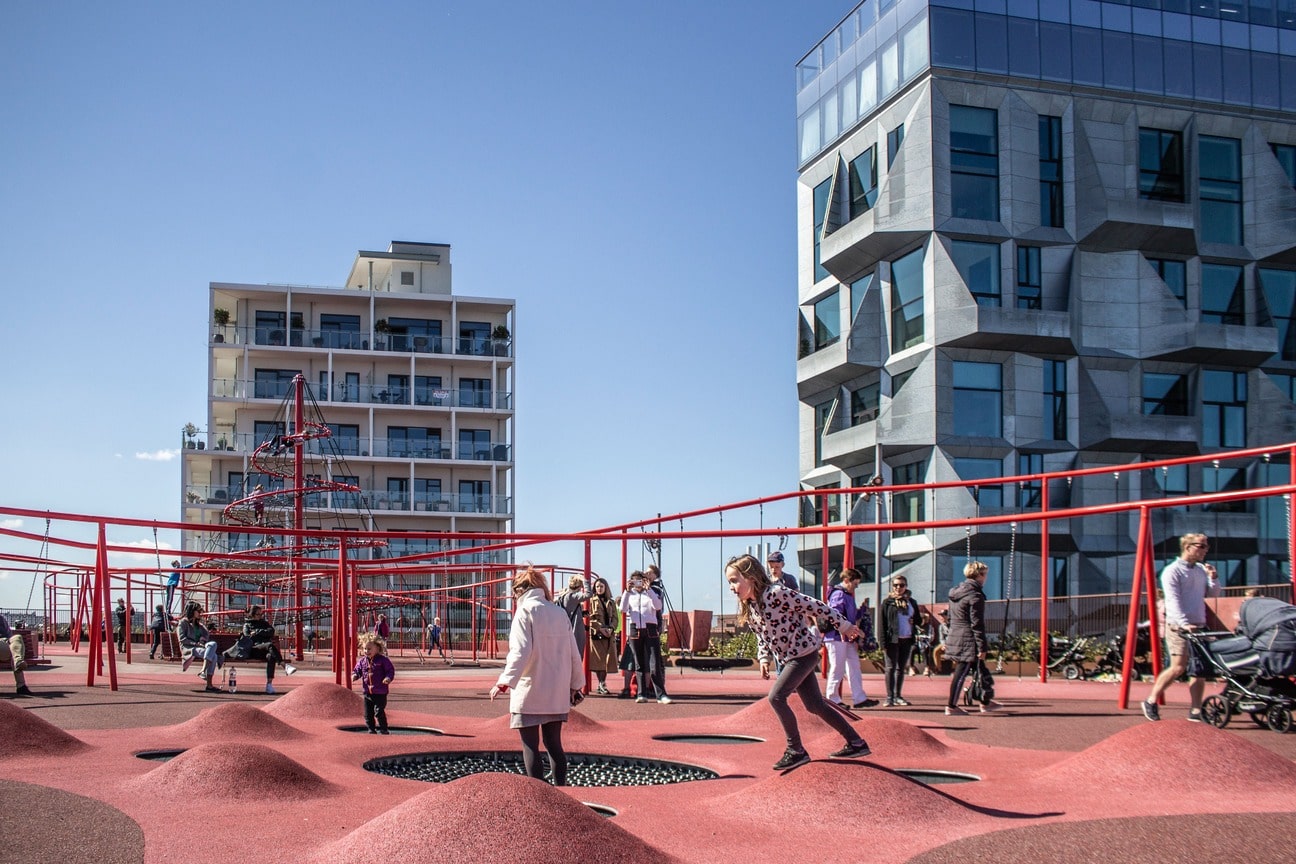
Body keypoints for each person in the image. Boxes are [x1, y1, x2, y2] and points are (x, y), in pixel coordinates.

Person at [725, 554, 872, 770]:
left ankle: (796, 750)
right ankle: (856, 742)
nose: (731, 587)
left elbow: (816, 606)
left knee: (776, 697)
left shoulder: (776, 593)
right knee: (814, 705)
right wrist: (764, 658)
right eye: (729, 582)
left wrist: (844, 626)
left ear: (751, 577)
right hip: (789, 658)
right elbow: (761, 635)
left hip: (803, 654)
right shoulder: (751, 606)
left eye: (734, 580)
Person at [490, 566, 584, 785]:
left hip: (531, 688)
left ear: (521, 590)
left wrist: (504, 681)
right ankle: (562, 790)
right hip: (556, 691)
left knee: (530, 745)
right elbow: (573, 653)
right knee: (554, 744)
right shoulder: (558, 612)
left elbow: (520, 651)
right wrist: (576, 685)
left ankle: (538, 794)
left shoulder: (525, 612)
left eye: (514, 592)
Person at [1141, 533, 1220, 722]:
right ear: (1187, 547)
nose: (1205, 550)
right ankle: (1151, 700)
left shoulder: (1200, 570)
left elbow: (1212, 595)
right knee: (1178, 667)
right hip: (1178, 625)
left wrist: (1213, 579)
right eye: (1201, 546)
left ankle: (1195, 710)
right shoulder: (1172, 571)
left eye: (1206, 546)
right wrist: (1184, 623)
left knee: (1199, 671)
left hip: (1199, 624)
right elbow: (1173, 601)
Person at [945, 561, 999, 715]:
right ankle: (951, 706)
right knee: (961, 671)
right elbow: (977, 624)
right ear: (980, 575)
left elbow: (950, 617)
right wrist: (982, 647)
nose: (986, 578)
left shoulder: (955, 592)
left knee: (980, 669)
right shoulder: (975, 596)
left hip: (956, 634)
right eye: (986, 574)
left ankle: (985, 701)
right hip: (968, 638)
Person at [823, 568, 875, 709]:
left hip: (845, 636)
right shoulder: (839, 595)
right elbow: (836, 615)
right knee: (838, 667)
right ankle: (832, 698)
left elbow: (848, 616)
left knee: (853, 666)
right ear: (847, 580)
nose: (856, 587)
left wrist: (861, 610)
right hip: (837, 637)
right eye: (855, 583)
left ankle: (859, 698)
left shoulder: (845, 595)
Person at [620, 571, 669, 704]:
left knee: (654, 662)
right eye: (635, 581)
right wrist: (626, 591)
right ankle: (642, 694)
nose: (638, 584)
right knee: (639, 663)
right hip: (635, 629)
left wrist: (649, 591)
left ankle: (661, 694)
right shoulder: (630, 595)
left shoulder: (651, 593)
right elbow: (623, 609)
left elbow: (658, 606)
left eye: (640, 581)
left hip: (650, 628)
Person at [229, 604, 297, 694]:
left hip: (264, 650)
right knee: (269, 645)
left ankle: (269, 685)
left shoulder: (264, 623)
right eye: (258, 614)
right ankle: (285, 666)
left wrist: (257, 632)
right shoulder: (247, 625)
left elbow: (271, 632)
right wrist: (261, 633)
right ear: (252, 615)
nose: (260, 616)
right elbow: (248, 637)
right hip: (253, 649)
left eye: (261, 614)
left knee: (270, 656)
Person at [879, 576, 920, 706]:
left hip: (907, 639)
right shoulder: (887, 602)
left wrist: (915, 621)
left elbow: (919, 619)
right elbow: (882, 623)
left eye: (901, 585)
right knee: (890, 667)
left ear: (906, 586)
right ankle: (889, 697)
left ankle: (898, 696)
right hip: (892, 639)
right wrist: (882, 642)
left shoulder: (912, 602)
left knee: (901, 668)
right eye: (896, 585)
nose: (898, 588)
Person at [352, 632, 395, 733]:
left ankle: (384, 729)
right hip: (367, 692)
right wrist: (355, 675)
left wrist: (388, 678)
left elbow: (390, 670)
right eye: (365, 649)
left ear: (378, 648)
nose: (367, 651)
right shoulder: (362, 661)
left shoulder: (383, 660)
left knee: (379, 711)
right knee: (368, 713)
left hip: (380, 692)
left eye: (369, 649)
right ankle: (371, 729)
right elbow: (357, 670)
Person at [177, 603, 223, 693]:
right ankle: (209, 685)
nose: (200, 613)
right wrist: (196, 644)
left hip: (200, 646)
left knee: (213, 644)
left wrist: (203, 640)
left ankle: (203, 671)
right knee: (214, 656)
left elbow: (206, 636)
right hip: (190, 648)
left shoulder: (199, 625)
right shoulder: (183, 623)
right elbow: (182, 639)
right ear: (192, 611)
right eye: (198, 611)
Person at [644, 565, 672, 703]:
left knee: (654, 659)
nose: (645, 574)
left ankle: (656, 690)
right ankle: (643, 689)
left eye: (649, 572)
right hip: (640, 626)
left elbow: (657, 606)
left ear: (655, 575)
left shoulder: (655, 589)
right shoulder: (641, 588)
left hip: (653, 625)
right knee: (643, 660)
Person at [586, 577, 619, 694]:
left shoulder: (611, 602)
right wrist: (600, 628)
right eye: (597, 586)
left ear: (606, 588)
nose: (599, 588)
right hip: (596, 634)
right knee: (598, 660)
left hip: (609, 635)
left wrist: (611, 628)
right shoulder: (590, 601)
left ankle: (602, 683)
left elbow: (615, 618)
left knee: (607, 660)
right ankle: (601, 683)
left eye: (601, 586)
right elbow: (588, 618)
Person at [554, 575, 591, 659]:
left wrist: (581, 613)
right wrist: (585, 581)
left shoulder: (563, 596)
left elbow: (569, 611)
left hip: (566, 628)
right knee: (576, 657)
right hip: (575, 630)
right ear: (579, 586)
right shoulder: (572, 597)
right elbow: (589, 594)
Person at [0, 613, 33, 696]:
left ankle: (18, 661)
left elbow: (9, 637)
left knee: (17, 638)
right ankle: (21, 685)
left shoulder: (1, 619)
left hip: (4, 645)